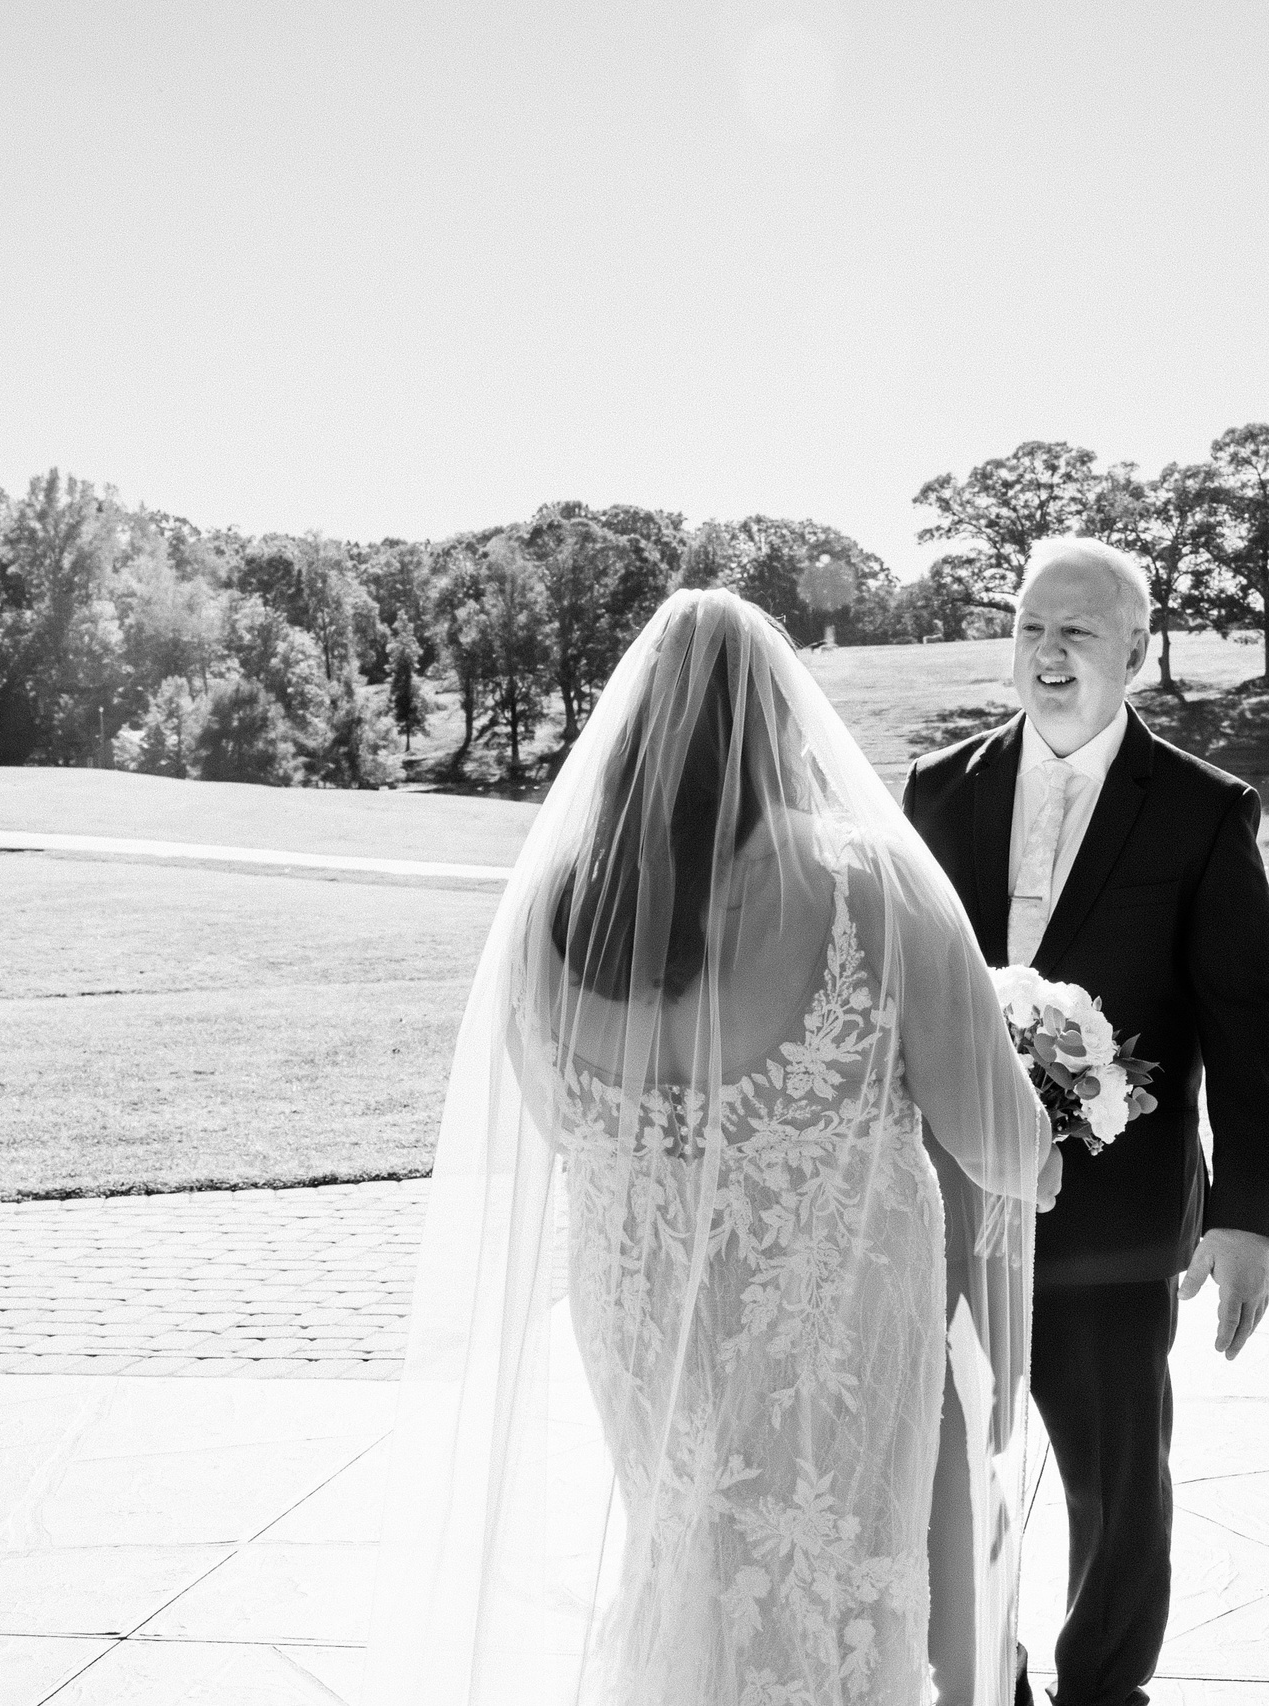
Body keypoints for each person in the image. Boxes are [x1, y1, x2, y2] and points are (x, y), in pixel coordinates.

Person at [366, 590, 1057, 1706]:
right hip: (825, 1317)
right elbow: (1005, 1141)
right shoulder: (867, 882)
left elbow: (561, 1127)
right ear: (785, 724)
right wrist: (1052, 1110)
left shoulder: (555, 907)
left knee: (679, 1549)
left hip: (639, 1307)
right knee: (828, 1575)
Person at [903, 538, 1269, 1706]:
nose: (1049, 653)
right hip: (952, 1203)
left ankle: (1101, 1688)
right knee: (945, 1470)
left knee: (1117, 1482)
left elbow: (1246, 1022)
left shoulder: (1201, 810)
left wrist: (1246, 1219)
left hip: (1119, 1220)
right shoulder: (939, 787)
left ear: (1134, 647)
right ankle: (991, 1673)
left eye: (1077, 631)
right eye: (1031, 628)